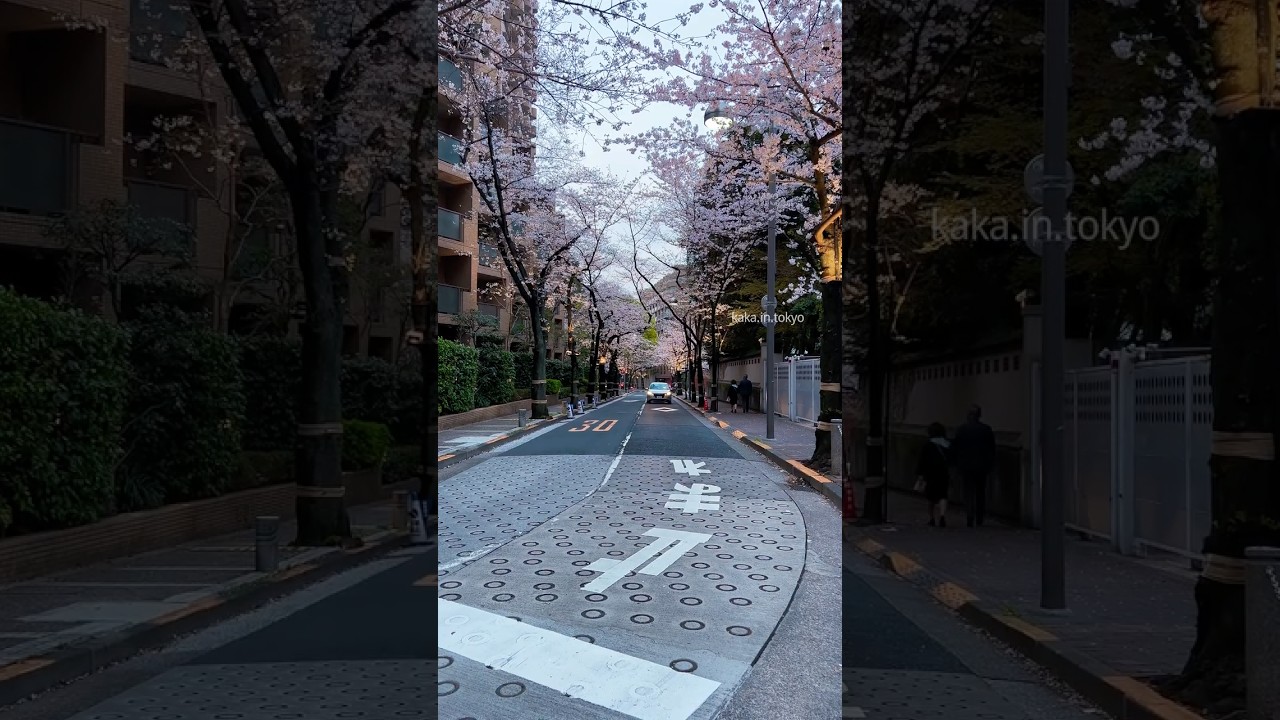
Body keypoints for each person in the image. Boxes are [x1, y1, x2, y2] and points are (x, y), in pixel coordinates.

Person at [951, 404, 996, 527]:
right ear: (979, 415)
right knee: (980, 492)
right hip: (981, 466)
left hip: (966, 465)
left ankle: (970, 515)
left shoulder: (961, 430)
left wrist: (956, 464)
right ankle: (979, 517)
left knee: (968, 491)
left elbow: (955, 448)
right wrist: (990, 464)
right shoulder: (986, 429)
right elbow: (991, 449)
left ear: (968, 415)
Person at [915, 422, 952, 527]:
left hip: (930, 474)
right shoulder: (947, 444)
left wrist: (920, 474)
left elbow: (922, 461)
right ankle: (942, 516)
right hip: (943, 473)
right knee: (943, 495)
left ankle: (932, 518)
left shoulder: (928, 445)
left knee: (930, 496)